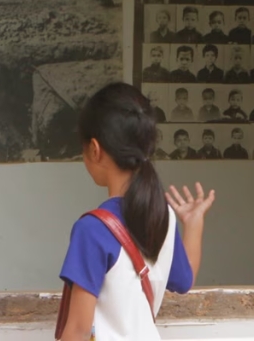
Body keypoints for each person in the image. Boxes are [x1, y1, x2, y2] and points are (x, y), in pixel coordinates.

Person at [58, 82, 214, 340]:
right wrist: (194, 225)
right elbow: (184, 281)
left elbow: (78, 330)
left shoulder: (93, 229)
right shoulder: (163, 215)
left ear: (94, 150)